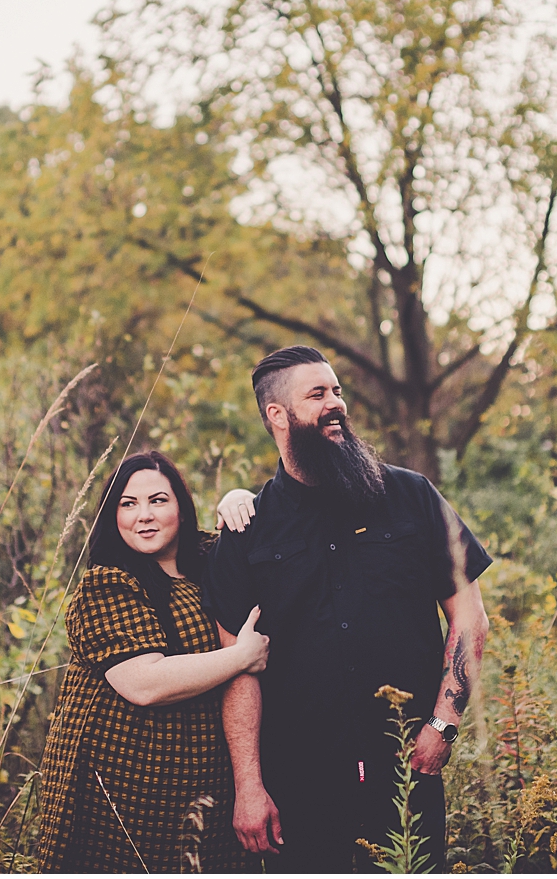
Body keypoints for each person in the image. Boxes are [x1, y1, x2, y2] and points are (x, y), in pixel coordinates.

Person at [205, 346, 493, 872]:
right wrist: (250, 786)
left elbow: (470, 617)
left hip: (408, 768)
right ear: (277, 415)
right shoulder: (249, 531)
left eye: (337, 391)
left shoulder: (411, 496)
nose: (335, 403)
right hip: (299, 780)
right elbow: (236, 669)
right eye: (316, 395)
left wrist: (443, 725)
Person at [35, 450, 268, 873]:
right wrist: (240, 657)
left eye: (158, 500)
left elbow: (250, 537)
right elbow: (144, 683)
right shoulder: (106, 584)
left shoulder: (208, 565)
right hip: (117, 793)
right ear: (113, 515)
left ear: (181, 506)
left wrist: (237, 497)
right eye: (128, 504)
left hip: (198, 789)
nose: (143, 515)